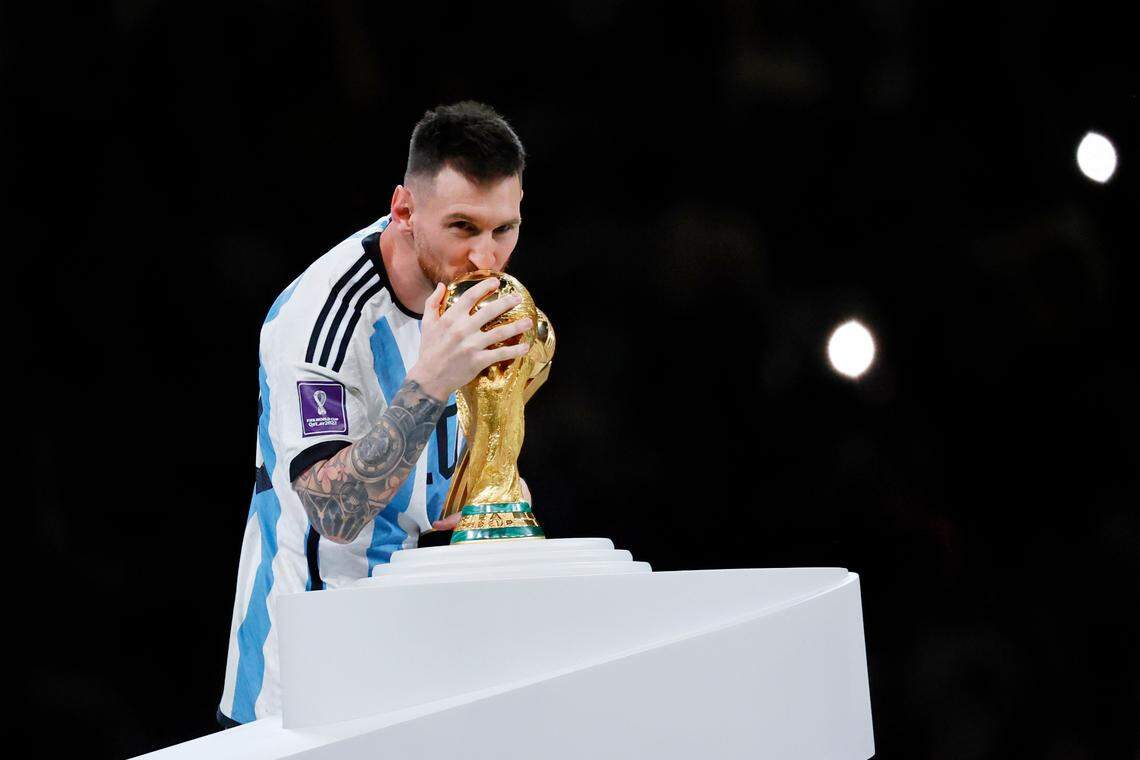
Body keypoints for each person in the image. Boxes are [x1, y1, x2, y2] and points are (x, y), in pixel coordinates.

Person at [217, 101, 532, 727]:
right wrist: (432, 380)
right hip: (304, 676)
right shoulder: (321, 321)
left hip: (415, 656)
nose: (488, 258)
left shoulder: (476, 297)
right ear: (405, 211)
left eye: (504, 229)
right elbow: (335, 513)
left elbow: (450, 493)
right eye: (464, 227)